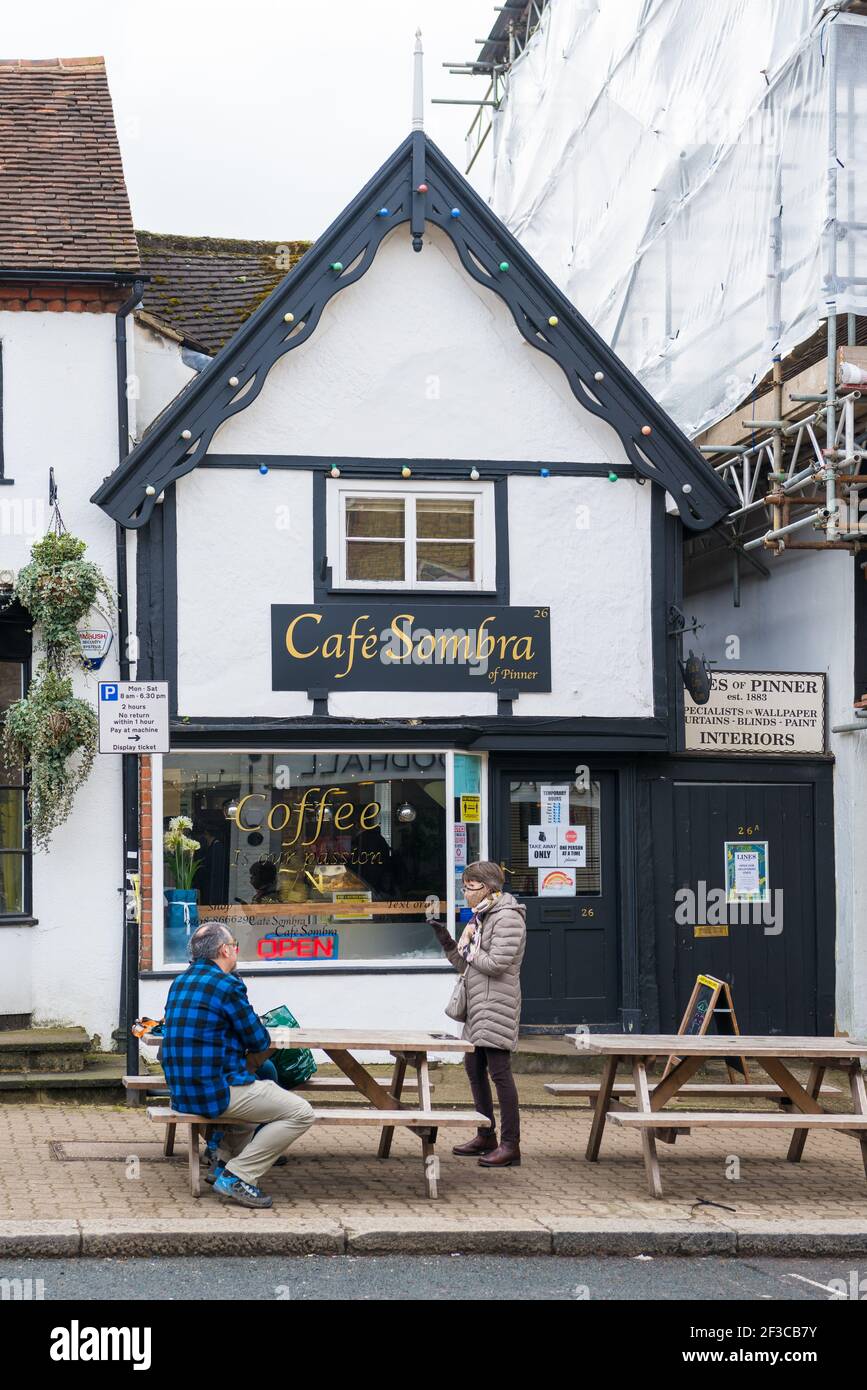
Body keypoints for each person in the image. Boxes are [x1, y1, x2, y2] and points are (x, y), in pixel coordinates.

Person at [161, 922, 315, 1208]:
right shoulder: (226, 985)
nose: (236, 950)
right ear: (224, 950)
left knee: (257, 1083)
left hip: (182, 1093)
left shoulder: (179, 982)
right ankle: (238, 1176)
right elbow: (258, 1040)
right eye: (234, 944)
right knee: (300, 1112)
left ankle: (222, 1162)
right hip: (214, 1094)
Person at [430, 860, 526, 1167]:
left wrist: (469, 947)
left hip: (497, 1004)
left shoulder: (507, 917)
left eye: (468, 887)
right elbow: (468, 965)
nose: (464, 892)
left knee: (500, 1073)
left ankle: (511, 1145)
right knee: (474, 1068)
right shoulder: (482, 917)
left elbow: (495, 963)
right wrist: (447, 941)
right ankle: (486, 1135)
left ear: (486, 888)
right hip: (478, 1006)